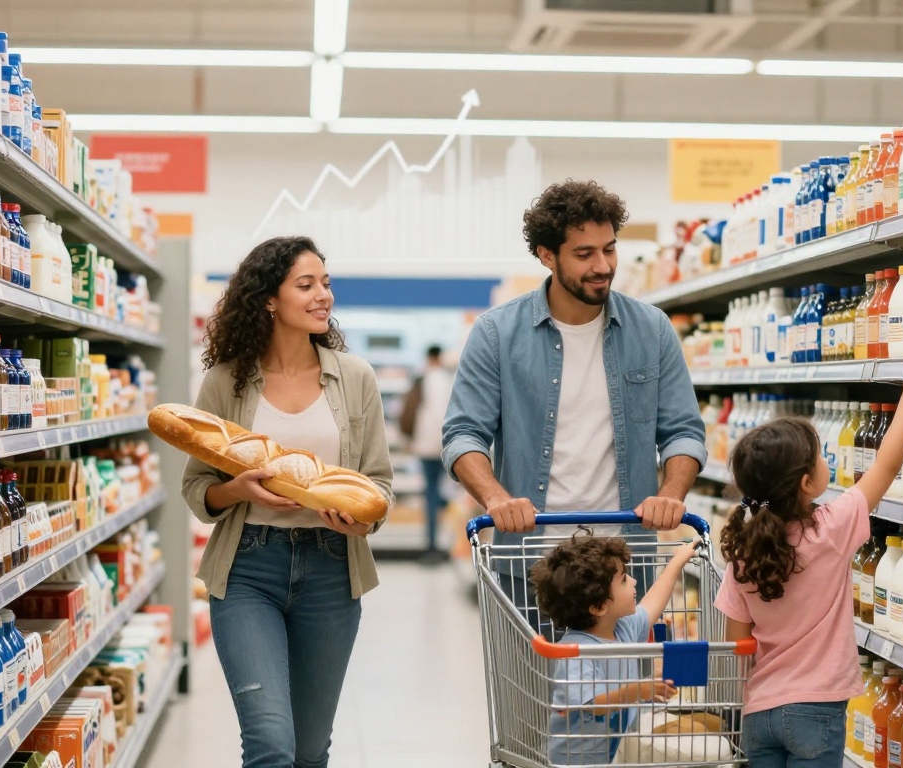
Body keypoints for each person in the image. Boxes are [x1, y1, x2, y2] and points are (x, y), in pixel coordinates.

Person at [442, 179, 707, 616]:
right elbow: (463, 434)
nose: (602, 265)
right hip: (531, 564)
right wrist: (496, 498)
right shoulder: (496, 334)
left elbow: (682, 431)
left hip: (622, 569)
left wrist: (672, 491)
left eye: (609, 249)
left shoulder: (653, 330)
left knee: (624, 687)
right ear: (547, 256)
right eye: (584, 254)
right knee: (533, 684)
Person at [180, 236, 394, 768]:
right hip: (249, 568)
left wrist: (359, 520)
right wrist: (238, 489)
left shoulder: (355, 378)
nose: (323, 294)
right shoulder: (227, 381)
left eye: (325, 282)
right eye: (306, 285)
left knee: (307, 750)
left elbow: (380, 487)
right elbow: (196, 487)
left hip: (331, 571)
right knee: (271, 744)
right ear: (269, 299)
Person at [714, 349, 903, 768]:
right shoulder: (831, 529)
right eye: (819, 455)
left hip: (759, 710)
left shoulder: (743, 553)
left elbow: (739, 645)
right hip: (817, 708)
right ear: (806, 483)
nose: (826, 460)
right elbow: (886, 465)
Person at [532, 535, 697, 765]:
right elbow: (596, 704)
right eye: (623, 580)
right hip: (574, 761)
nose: (634, 582)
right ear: (599, 607)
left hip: (612, 756)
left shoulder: (622, 628)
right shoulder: (575, 653)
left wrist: (676, 563)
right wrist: (640, 690)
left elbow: (653, 602)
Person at [399, 344, 455, 563]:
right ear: (439, 357)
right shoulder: (448, 379)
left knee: (431, 493)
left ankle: (431, 545)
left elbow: (410, 413)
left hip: (426, 448)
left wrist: (412, 440)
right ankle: (440, 542)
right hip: (447, 448)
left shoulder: (421, 380)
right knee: (442, 492)